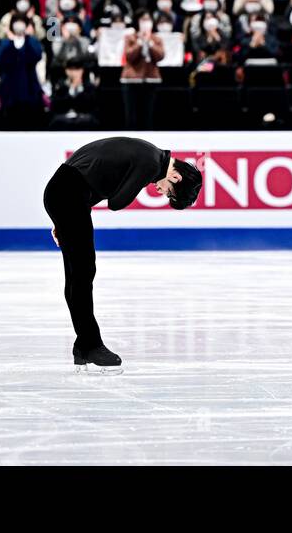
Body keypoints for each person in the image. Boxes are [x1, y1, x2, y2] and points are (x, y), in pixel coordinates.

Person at [42, 137, 203, 371]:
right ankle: (91, 345)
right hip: (68, 194)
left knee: (80, 271)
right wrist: (64, 213)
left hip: (67, 195)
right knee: (83, 271)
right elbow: (116, 202)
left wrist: (62, 216)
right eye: (170, 193)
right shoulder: (150, 163)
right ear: (175, 177)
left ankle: (84, 344)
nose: (161, 192)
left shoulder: (151, 155)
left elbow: (94, 175)